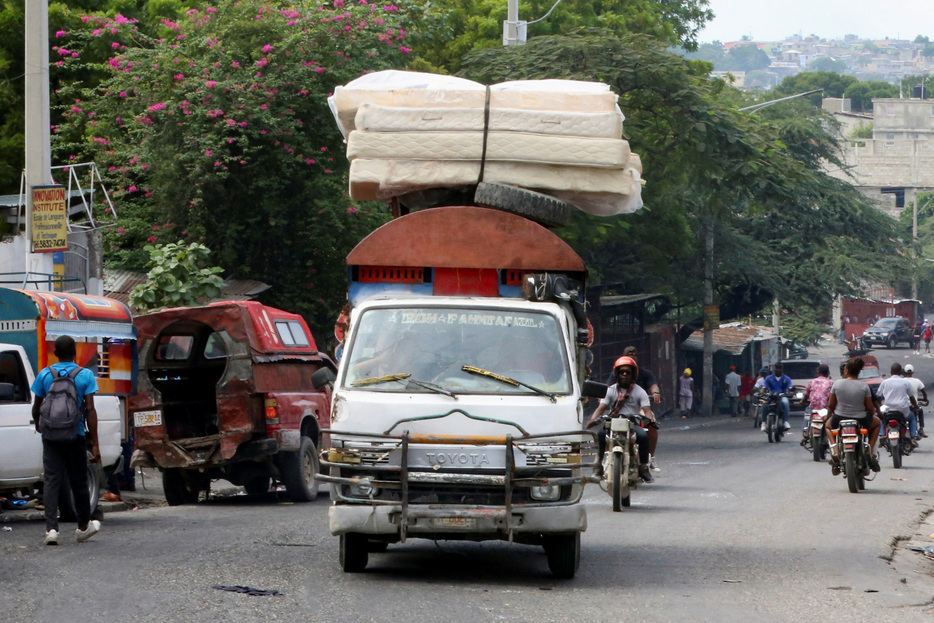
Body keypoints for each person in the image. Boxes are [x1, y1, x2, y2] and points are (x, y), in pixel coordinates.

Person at [31, 335, 102, 545]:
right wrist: (95, 444)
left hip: (51, 436)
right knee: (78, 481)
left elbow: (37, 407)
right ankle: (82, 527)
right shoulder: (85, 375)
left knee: (51, 481)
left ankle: (51, 530)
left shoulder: (45, 374)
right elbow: (90, 411)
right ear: (75, 352)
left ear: (55, 353)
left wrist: (39, 425)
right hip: (75, 435)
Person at [586, 356, 656, 483]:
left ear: (633, 374)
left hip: (632, 423)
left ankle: (644, 467)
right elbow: (601, 408)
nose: (624, 374)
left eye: (628, 372)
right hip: (613, 422)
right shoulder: (610, 390)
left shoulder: (640, 392)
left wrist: (651, 421)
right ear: (616, 374)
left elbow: (647, 410)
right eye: (621, 372)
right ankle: (598, 466)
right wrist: (593, 419)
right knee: (601, 435)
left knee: (644, 437)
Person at [825, 357, 882, 474]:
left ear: (846, 371)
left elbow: (831, 405)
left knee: (827, 426)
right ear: (859, 372)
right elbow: (870, 407)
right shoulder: (864, 386)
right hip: (861, 420)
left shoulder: (837, 384)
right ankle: (869, 451)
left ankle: (835, 451)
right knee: (877, 424)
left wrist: (828, 416)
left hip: (839, 419)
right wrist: (872, 413)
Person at [620, 346, 662, 472]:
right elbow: (607, 388)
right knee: (606, 428)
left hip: (640, 407)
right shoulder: (616, 372)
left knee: (652, 425)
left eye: (634, 354)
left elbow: (653, 385)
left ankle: (650, 457)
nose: (631, 356)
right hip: (620, 408)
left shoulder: (645, 374)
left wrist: (655, 393)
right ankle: (605, 458)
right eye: (628, 354)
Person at [879, 363, 919, 446]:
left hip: (888, 410)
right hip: (902, 410)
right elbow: (911, 397)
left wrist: (879, 406)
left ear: (890, 372)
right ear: (901, 371)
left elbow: (878, 396)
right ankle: (913, 437)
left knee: (880, 419)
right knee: (912, 419)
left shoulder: (884, 382)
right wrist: (916, 406)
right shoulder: (905, 382)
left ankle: (882, 435)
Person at [801, 363, 833, 444]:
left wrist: (802, 402)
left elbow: (806, 395)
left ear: (818, 372)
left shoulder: (812, 382)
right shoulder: (831, 383)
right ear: (828, 373)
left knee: (807, 412)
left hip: (813, 408)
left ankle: (805, 431)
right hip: (826, 408)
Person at [762, 362, 793, 431]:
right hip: (771, 396)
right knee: (764, 403)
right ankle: (763, 422)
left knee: (785, 402)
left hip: (782, 396)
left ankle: (786, 421)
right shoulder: (768, 378)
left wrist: (790, 393)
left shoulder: (786, 379)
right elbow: (764, 388)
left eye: (780, 368)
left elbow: (790, 389)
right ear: (774, 369)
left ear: (782, 369)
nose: (778, 370)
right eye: (777, 368)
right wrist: (763, 393)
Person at [904, 364, 927, 438]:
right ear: (912, 372)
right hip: (913, 406)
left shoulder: (902, 381)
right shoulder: (917, 381)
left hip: (903, 406)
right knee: (920, 411)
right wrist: (925, 399)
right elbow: (924, 392)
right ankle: (921, 429)